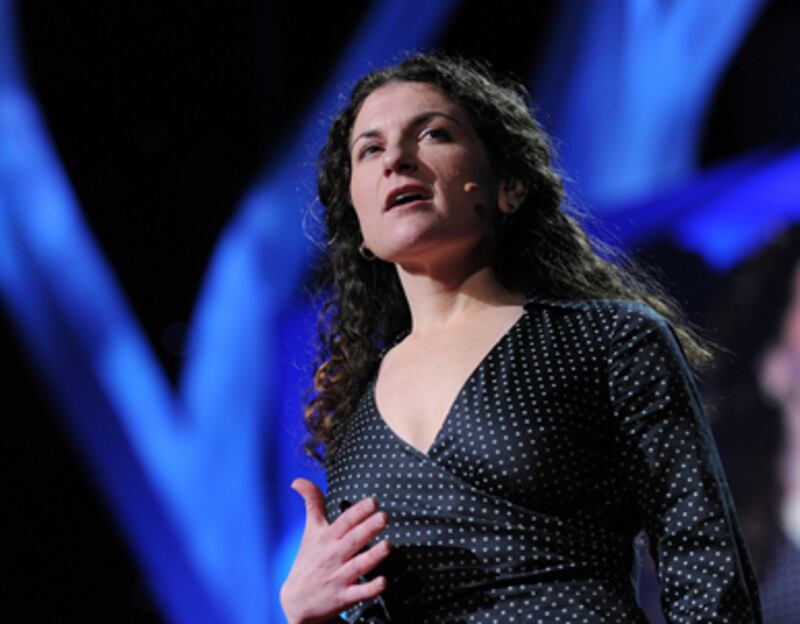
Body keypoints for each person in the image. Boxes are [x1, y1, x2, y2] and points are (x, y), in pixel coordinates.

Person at [280, 52, 762, 623]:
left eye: (432, 134)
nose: (397, 160)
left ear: (507, 186)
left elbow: (702, 557)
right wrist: (308, 614)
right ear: (359, 224)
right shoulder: (353, 414)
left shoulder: (607, 338)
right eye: (370, 149)